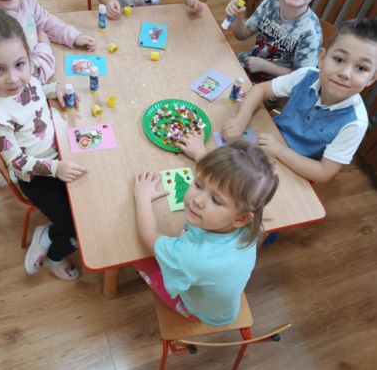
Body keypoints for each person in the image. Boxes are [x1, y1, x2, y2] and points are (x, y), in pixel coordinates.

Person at [0, 8, 87, 281]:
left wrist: (54, 88)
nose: (13, 78)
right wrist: (56, 169)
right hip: (36, 176)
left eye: (20, 64)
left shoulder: (25, 77)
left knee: (89, 204)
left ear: (27, 57)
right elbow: (18, 162)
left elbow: (35, 89)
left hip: (59, 153)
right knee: (75, 227)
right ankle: (54, 255)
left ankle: (51, 234)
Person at [133, 140, 279, 326]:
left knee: (137, 258)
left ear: (241, 218)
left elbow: (148, 237)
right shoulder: (248, 222)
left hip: (197, 311)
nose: (197, 200)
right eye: (198, 184)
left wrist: (142, 197)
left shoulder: (190, 256)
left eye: (216, 200)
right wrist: (200, 154)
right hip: (222, 305)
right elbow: (223, 182)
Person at [222, 18, 377, 183]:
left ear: (371, 79)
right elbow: (260, 90)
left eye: (362, 68)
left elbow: (324, 173)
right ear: (322, 58)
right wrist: (240, 121)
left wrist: (280, 151)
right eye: (339, 60)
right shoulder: (306, 75)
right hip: (269, 139)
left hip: (298, 170)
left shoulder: (356, 123)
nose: (345, 73)